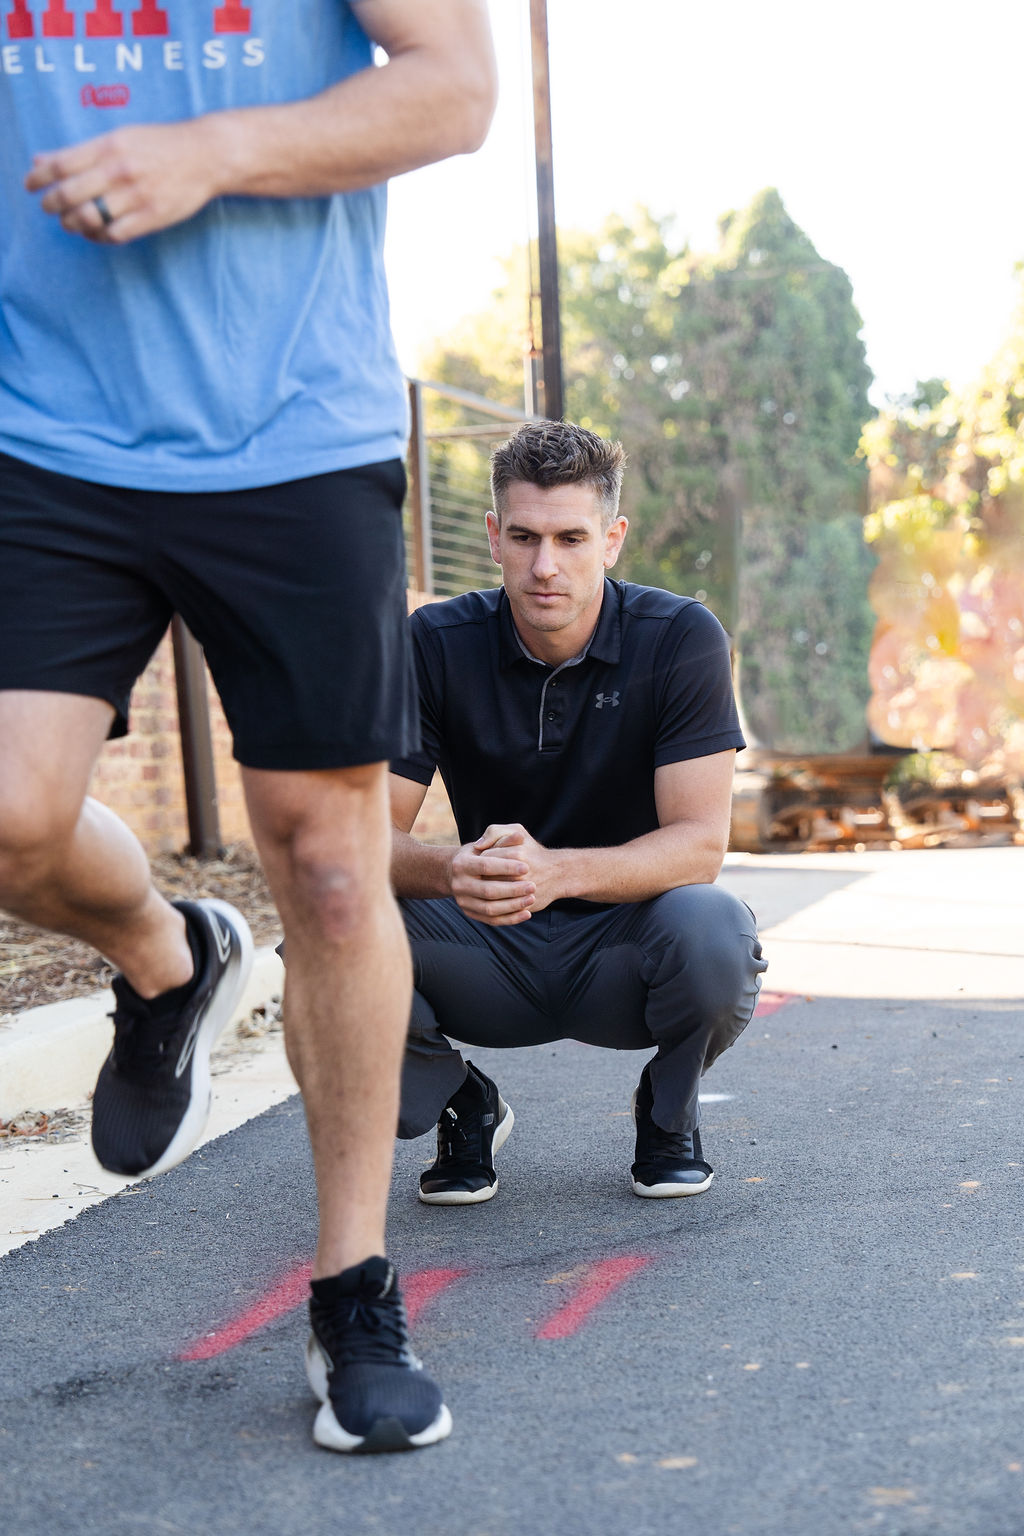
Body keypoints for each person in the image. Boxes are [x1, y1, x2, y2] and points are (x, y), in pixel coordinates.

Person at [0, 0, 497, 1455]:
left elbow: (454, 88)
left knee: (331, 864)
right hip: (39, 428)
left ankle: (353, 1293)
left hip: (293, 433)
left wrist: (211, 149)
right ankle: (172, 959)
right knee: (11, 812)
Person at [390, 420, 767, 1204]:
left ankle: (667, 1111)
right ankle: (460, 1102)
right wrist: (453, 869)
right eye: (524, 537)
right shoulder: (433, 642)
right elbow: (363, 839)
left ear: (613, 540)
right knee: (325, 927)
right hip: (488, 942)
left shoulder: (680, 637)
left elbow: (700, 846)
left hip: (626, 947)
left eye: (571, 538)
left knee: (716, 931)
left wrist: (556, 872)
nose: (545, 566)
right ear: (493, 536)